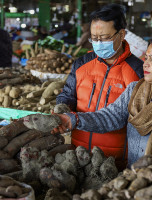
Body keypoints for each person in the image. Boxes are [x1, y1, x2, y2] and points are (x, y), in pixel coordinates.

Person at [51, 33, 152, 168]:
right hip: (136, 176)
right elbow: (110, 117)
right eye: (145, 58)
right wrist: (72, 119)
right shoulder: (135, 90)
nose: (145, 64)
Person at [55, 3, 144, 170]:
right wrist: (62, 109)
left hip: (116, 161)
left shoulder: (138, 70)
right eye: (94, 38)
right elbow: (67, 94)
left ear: (122, 34)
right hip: (78, 154)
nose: (98, 43)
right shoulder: (81, 63)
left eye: (104, 38)